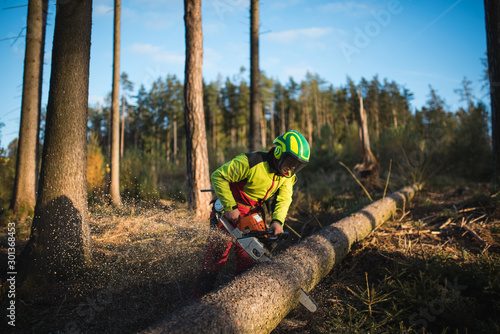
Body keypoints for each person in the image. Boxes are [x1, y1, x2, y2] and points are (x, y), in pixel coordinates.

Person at [191, 130, 310, 300]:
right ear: (279, 153)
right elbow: (218, 176)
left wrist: (277, 221)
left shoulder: (288, 176)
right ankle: (197, 300)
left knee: (250, 256)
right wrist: (230, 206)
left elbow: (284, 198)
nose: (292, 168)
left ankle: (239, 300)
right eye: (290, 161)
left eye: (297, 165)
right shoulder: (250, 162)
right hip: (229, 208)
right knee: (216, 257)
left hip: (253, 211)